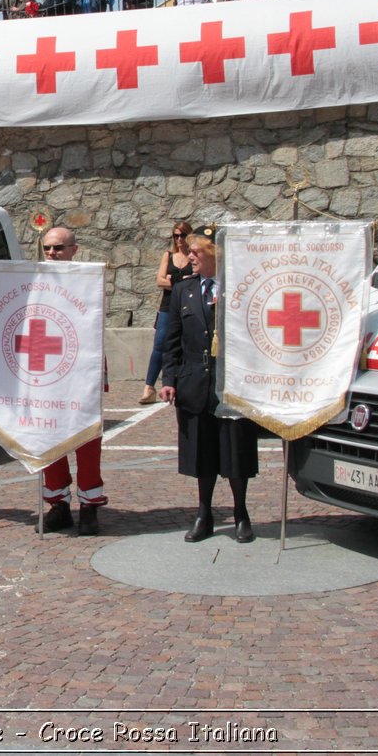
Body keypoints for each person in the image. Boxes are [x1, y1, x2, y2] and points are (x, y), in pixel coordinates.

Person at [160, 232, 258, 544]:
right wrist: (169, 379)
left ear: (215, 254)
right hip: (194, 382)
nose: (189, 257)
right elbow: (171, 338)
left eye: (195, 252)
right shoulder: (184, 290)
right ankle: (204, 513)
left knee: (234, 451)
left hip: (231, 383)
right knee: (201, 452)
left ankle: (241, 512)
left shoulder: (240, 288)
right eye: (188, 252)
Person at [34, 226, 108, 536]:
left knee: (86, 439)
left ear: (74, 250)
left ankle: (89, 506)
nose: (52, 253)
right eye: (48, 248)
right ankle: (58, 504)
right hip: (46, 370)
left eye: (59, 248)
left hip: (81, 371)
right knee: (50, 438)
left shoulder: (89, 280)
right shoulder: (34, 281)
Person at [140, 221, 194, 406]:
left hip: (188, 305)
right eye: (175, 236)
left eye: (182, 235)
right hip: (168, 306)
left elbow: (193, 278)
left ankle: (178, 383)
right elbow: (159, 281)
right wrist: (183, 282)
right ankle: (149, 386)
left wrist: (172, 281)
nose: (179, 239)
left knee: (186, 343)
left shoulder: (193, 256)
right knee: (160, 343)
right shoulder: (169, 255)